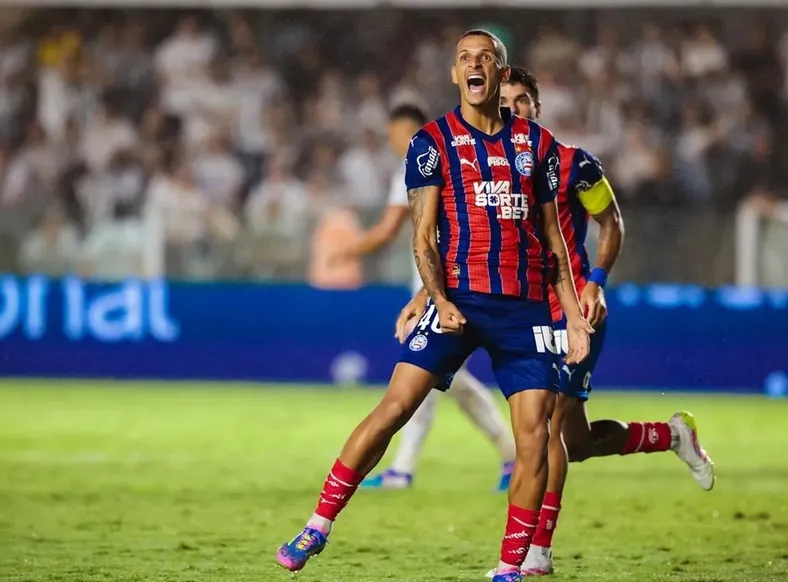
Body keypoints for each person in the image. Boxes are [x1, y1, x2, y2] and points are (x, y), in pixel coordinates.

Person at [276, 31, 593, 582]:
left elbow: (556, 241)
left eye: (484, 58)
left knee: (535, 437)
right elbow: (422, 239)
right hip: (459, 300)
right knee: (395, 406)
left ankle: (508, 567)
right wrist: (438, 300)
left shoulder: (536, 145)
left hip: (526, 311)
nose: (474, 66)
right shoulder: (432, 142)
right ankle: (318, 523)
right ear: (454, 75)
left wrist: (571, 316)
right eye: (464, 59)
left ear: (499, 70)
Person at [394, 66, 716, 578]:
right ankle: (671, 435)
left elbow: (612, 222)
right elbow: (459, 244)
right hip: (513, 306)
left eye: (524, 101)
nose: (515, 108)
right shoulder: (484, 164)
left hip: (567, 312)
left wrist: (597, 282)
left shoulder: (571, 165)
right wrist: (422, 296)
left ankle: (536, 552)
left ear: (538, 107)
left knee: (544, 432)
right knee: (577, 444)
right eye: (509, 100)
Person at [331, 104, 516, 492]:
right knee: (436, 377)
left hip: (444, 287)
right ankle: (505, 453)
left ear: (407, 129)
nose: (391, 140)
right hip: (441, 285)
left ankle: (407, 468)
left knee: (419, 373)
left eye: (394, 132)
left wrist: (348, 252)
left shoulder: (419, 161)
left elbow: (386, 230)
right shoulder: (450, 156)